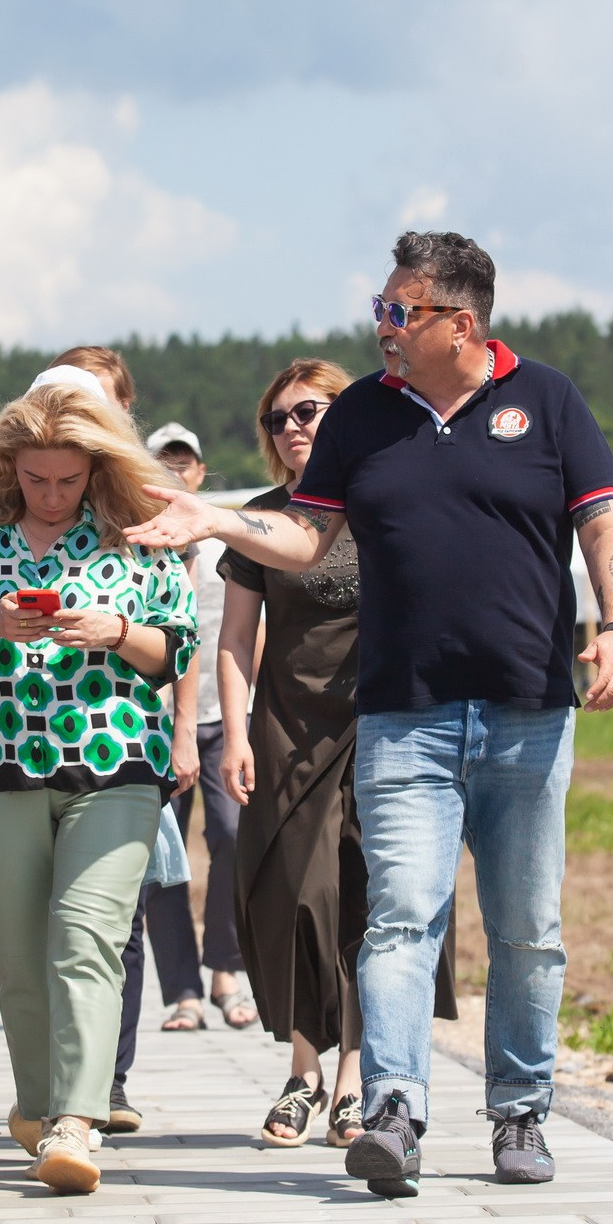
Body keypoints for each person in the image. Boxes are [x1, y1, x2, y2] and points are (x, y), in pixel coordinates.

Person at [128, 230, 613, 1199]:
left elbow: (603, 519)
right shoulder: (362, 413)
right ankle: (393, 1108)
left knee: (529, 926)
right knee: (401, 914)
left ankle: (519, 1109)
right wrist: (218, 521)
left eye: (401, 311)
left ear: (464, 320)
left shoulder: (548, 400)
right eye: (380, 306)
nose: (383, 326)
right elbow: (305, 532)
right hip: (401, 714)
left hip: (528, 710)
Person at [0, 382, 197, 1194]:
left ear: (98, 469)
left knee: (87, 938)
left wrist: (115, 631)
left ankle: (78, 1119)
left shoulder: (141, 539)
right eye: (36, 478)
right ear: (9, 469)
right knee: (16, 953)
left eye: (67, 479)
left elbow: (177, 649)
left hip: (117, 767)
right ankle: (39, 1107)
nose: (51, 493)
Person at [216, 358, 455, 1147]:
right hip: (286, 726)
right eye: (277, 417)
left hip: (383, 722)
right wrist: (234, 728)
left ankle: (353, 1079)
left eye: (309, 411)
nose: (292, 428)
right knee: (294, 896)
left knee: (369, 895)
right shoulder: (258, 518)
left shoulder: (383, 504)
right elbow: (235, 640)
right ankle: (301, 1067)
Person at [143, 422, 251, 1035]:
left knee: (234, 838)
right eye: (164, 463)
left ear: (201, 474)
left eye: (185, 464)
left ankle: (225, 970)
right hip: (154, 726)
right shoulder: (141, 544)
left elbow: (250, 631)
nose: (175, 472)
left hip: (221, 717)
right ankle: (183, 990)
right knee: (165, 858)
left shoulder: (217, 547)